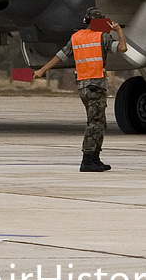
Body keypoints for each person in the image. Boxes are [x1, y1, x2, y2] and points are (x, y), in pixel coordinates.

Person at [30, 10, 127, 172]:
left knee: (98, 121)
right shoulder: (102, 37)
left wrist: (42, 70)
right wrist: (118, 30)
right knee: (95, 123)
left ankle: (95, 158)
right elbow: (123, 48)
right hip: (96, 84)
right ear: (99, 22)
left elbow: (60, 56)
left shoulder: (77, 37)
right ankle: (88, 158)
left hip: (82, 85)